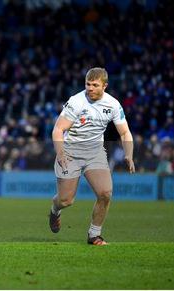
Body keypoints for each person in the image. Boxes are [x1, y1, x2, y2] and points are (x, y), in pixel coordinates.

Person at [49, 67, 135, 245]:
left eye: (95, 85)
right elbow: (58, 129)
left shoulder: (113, 104)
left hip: (95, 151)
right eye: (88, 84)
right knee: (66, 200)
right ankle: (54, 209)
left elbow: (125, 133)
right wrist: (60, 152)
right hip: (70, 151)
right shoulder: (76, 102)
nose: (90, 88)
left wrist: (129, 154)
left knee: (105, 192)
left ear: (105, 86)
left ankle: (94, 234)